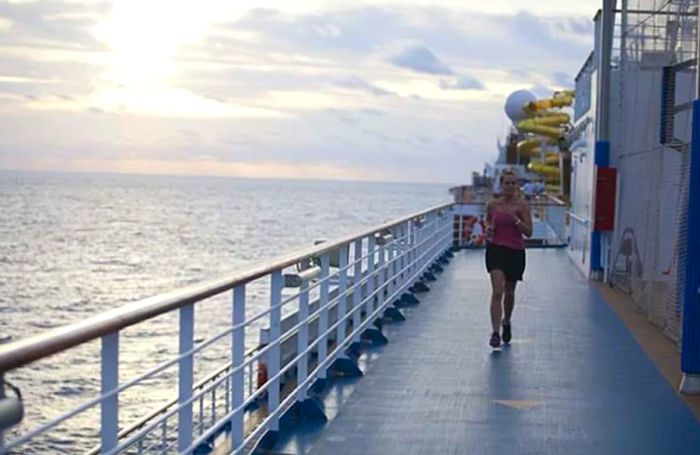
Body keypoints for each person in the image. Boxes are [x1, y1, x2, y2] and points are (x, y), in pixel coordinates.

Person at [484, 169, 533, 348]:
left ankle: (507, 321)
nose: (510, 186)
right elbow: (488, 221)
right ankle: (495, 332)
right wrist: (489, 227)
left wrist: (517, 221)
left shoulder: (522, 206)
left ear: (517, 186)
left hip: (515, 251)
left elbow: (529, 232)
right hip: (496, 249)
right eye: (507, 183)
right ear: (501, 185)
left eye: (513, 183)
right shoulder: (493, 205)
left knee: (509, 292)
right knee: (497, 291)